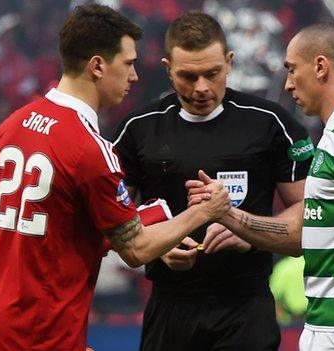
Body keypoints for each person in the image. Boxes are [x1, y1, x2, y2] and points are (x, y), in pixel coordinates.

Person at [0, 5, 230, 350]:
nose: (134, 77)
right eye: (129, 64)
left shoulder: (11, 125)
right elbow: (136, 250)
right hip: (42, 334)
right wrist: (204, 211)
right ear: (97, 66)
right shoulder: (91, 149)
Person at [189, 23, 334, 351]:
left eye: (292, 70)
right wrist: (229, 216)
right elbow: (307, 234)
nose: (289, 84)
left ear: (321, 67)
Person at [113, 12, 313, 351]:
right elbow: (113, 218)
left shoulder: (271, 123)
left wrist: (247, 231)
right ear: (167, 69)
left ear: (229, 62)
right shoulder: (137, 128)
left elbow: (308, 221)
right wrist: (158, 245)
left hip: (245, 307)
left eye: (212, 73)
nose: (202, 87)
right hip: (169, 306)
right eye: (188, 76)